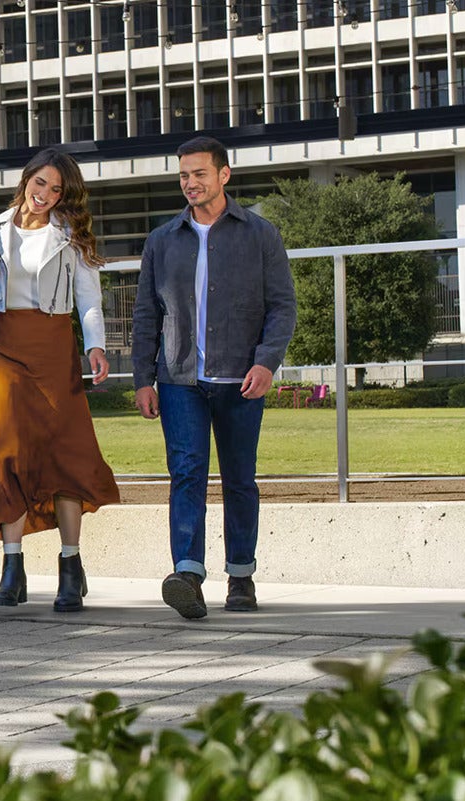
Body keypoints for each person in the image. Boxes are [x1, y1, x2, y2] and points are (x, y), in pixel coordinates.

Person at [131, 136, 296, 620]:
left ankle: (241, 575)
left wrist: (266, 362)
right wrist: (143, 376)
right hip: (180, 378)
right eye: (183, 175)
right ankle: (188, 575)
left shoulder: (259, 234)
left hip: (241, 377)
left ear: (224, 175)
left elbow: (282, 306)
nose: (190, 183)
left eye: (199, 174)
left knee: (239, 478)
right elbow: (145, 313)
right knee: (186, 474)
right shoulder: (162, 241)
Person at [0, 148, 120, 612]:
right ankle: (12, 567)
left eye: (56, 190)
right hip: (6, 348)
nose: (45, 196)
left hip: (55, 348)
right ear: (26, 179)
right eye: (41, 184)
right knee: (7, 451)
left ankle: (70, 566)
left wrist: (95, 345)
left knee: (65, 453)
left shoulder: (70, 234)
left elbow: (89, 299)